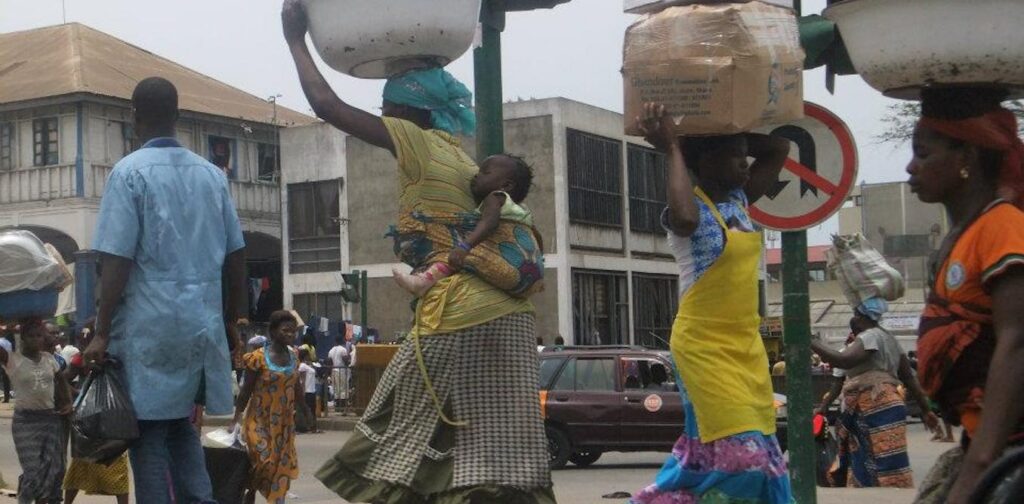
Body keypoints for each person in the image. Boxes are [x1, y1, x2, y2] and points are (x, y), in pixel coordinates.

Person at [282, 2, 553, 501]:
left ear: (407, 112)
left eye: (388, 107)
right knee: (494, 438)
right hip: (511, 316)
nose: (383, 116)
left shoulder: (414, 138)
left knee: (398, 421)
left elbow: (327, 105)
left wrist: (295, 40)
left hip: (462, 312)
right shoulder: (458, 151)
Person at [83, 77, 247, 504]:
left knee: (150, 437)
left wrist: (101, 329)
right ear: (177, 115)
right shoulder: (213, 176)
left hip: (149, 327)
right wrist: (233, 320)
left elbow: (116, 260)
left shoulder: (128, 173)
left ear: (133, 117)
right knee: (182, 429)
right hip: (201, 324)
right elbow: (236, 256)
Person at [629, 103, 792, 503]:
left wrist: (728, 127)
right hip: (703, 347)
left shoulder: (740, 199)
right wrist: (674, 148)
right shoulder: (689, 211)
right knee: (740, 453)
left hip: (745, 347)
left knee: (763, 453)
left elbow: (779, 148)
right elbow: (684, 218)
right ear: (704, 160)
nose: (744, 162)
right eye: (734, 155)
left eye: (743, 154)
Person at [903, 88, 1024, 504]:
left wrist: (979, 466)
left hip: (1007, 457)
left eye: (923, 153)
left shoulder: (1003, 227)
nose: (910, 166)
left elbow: (1018, 340)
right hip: (982, 446)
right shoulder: (963, 235)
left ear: (966, 158)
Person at [811, 300, 939, 488]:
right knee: (890, 460)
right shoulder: (890, 339)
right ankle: (894, 493)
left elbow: (843, 360)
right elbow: (909, 379)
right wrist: (927, 410)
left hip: (872, 404)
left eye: (855, 315)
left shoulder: (869, 337)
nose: (853, 320)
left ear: (862, 318)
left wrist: (811, 341)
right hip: (891, 404)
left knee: (869, 463)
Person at [392, 154, 536, 296]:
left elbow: (489, 223)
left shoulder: (495, 198)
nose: (476, 176)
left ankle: (424, 281)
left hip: (510, 269)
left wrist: (465, 246)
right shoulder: (523, 210)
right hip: (530, 277)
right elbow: (534, 236)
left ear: (506, 185)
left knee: (455, 256)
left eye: (484, 173)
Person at [232, 310, 301, 504]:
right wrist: (235, 419)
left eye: (293, 331)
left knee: (281, 466)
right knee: (264, 460)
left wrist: (306, 411)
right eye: (285, 330)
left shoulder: (294, 358)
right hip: (259, 420)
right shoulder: (258, 358)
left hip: (284, 424)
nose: (290, 334)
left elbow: (297, 387)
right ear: (272, 332)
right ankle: (250, 489)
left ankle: (277, 501)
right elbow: (246, 391)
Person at [2, 318, 72, 504]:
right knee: (33, 470)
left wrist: (67, 402)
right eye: (31, 336)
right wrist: (5, 326)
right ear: (22, 338)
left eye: (39, 336)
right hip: (25, 422)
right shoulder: (12, 359)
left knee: (53, 468)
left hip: (50, 419)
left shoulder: (49, 359)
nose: (36, 340)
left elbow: (62, 381)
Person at [327, 336, 350, 412]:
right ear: (342, 341)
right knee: (343, 389)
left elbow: (330, 362)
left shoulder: (331, 350)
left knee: (336, 389)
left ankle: (337, 407)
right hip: (342, 371)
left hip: (334, 370)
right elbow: (346, 361)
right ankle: (343, 407)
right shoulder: (343, 350)